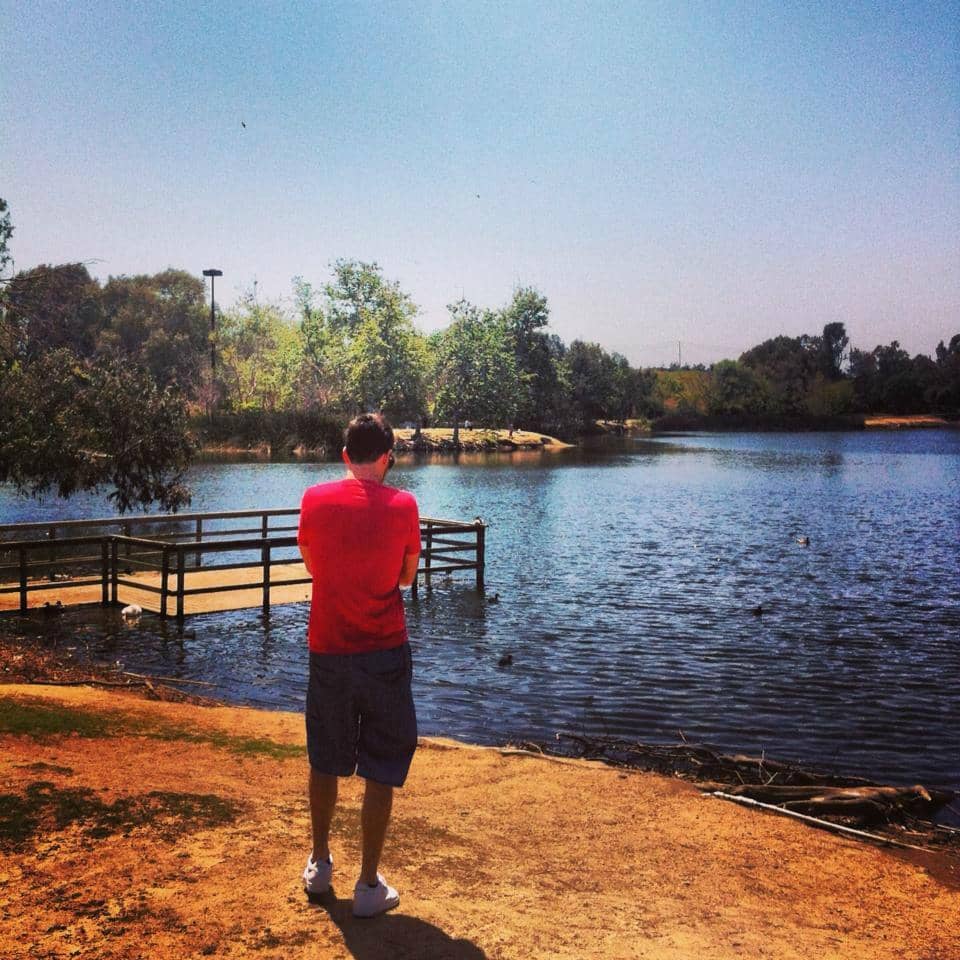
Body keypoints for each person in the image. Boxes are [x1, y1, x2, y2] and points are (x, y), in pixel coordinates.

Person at [297, 412, 421, 918]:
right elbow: (407, 578)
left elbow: (310, 564)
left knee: (324, 757)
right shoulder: (404, 505)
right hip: (386, 652)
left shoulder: (314, 500)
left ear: (346, 455)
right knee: (381, 765)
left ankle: (321, 862)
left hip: (329, 648)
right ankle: (368, 885)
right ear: (388, 456)